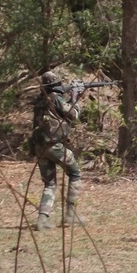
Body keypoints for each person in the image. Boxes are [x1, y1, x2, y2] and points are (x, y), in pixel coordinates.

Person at [29, 70, 86, 231]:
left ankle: (42, 219)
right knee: (75, 173)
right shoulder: (56, 98)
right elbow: (73, 114)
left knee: (50, 183)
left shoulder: (41, 101)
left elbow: (58, 113)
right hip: (55, 146)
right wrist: (75, 97)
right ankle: (70, 214)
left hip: (40, 146)